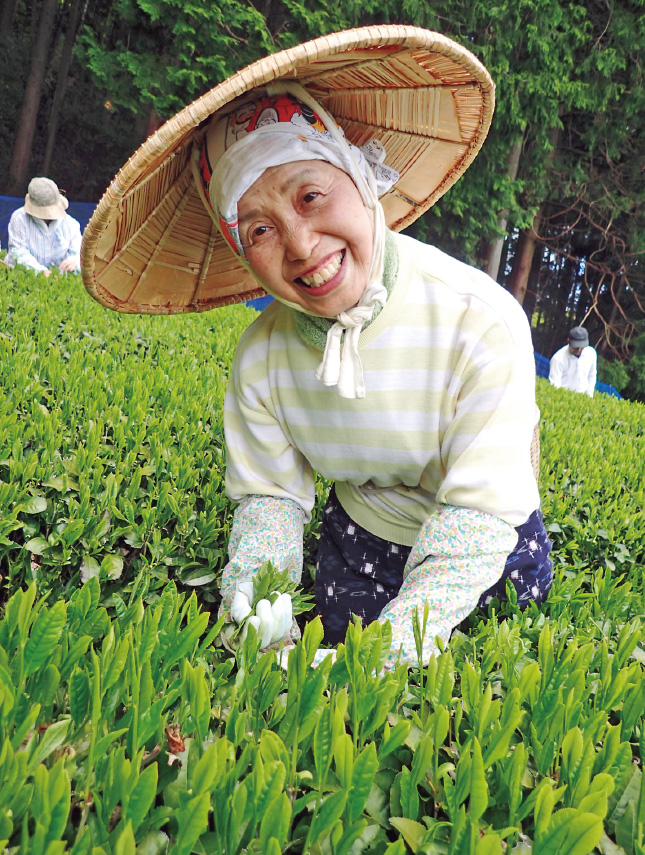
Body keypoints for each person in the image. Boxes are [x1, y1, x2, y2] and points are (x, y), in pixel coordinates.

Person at [81, 26, 553, 667]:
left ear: (360, 178)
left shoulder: (481, 319)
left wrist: (387, 656)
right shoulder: (262, 361)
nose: (301, 245)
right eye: (261, 229)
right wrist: (256, 625)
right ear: (242, 254)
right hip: (362, 536)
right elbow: (270, 502)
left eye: (311, 195)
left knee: (475, 675)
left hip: (489, 540)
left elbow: (478, 513)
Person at [5, 177, 81, 276]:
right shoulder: (19, 219)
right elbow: (18, 252)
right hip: (21, 277)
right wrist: (41, 272)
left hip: (59, 282)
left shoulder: (71, 224)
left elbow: (79, 254)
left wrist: (73, 262)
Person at [549, 326, 597, 398]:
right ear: (568, 341)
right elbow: (555, 385)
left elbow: (592, 376)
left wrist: (589, 396)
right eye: (576, 347)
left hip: (583, 399)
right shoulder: (558, 358)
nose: (579, 349)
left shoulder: (591, 353)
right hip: (564, 398)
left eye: (582, 346)